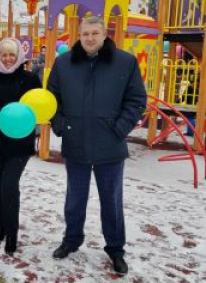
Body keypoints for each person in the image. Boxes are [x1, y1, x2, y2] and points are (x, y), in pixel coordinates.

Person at [47, 16, 147, 275]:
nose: (90, 38)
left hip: (109, 146)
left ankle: (115, 249)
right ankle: (71, 240)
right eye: (85, 33)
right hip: (76, 142)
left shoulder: (124, 62)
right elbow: (51, 98)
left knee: (111, 201)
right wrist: (62, 126)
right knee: (75, 198)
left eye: (95, 33)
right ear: (78, 35)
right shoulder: (64, 63)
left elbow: (136, 100)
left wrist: (119, 128)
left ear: (105, 35)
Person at [0, 38, 41, 256]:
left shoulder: (29, 80)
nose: (8, 59)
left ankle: (12, 234)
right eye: (4, 54)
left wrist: (25, 127)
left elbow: (36, 109)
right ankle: (2, 225)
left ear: (19, 57)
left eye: (12, 55)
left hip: (19, 145)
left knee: (9, 186)